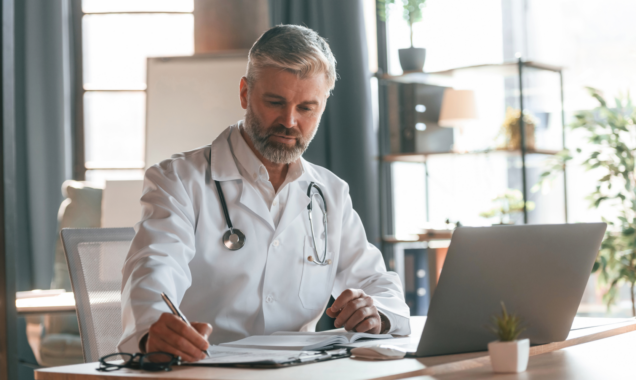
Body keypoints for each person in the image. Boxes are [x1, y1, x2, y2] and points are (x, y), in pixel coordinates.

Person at [117, 24, 410, 362]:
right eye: (275, 102)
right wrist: (154, 328)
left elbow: (377, 282)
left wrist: (376, 312)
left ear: (323, 106)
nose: (289, 121)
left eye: (306, 108)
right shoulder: (178, 180)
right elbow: (154, 267)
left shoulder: (329, 192)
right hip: (207, 368)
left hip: (302, 370)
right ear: (245, 93)